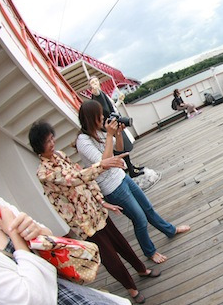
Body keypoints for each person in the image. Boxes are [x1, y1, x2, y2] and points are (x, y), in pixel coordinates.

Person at [29, 121, 161, 304]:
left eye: (52, 138)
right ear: (39, 146)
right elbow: (76, 178)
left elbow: (85, 178)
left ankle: (141, 270)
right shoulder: (44, 173)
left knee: (121, 242)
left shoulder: (60, 155)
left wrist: (101, 202)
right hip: (83, 221)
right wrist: (103, 165)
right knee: (109, 256)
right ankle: (131, 288)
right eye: (48, 141)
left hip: (96, 209)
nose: (52, 143)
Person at [76, 100, 191, 264]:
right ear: (90, 117)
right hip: (112, 188)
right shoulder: (83, 141)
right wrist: (109, 135)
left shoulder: (100, 132)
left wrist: (117, 134)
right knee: (140, 219)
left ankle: (170, 231)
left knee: (148, 208)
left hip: (122, 177)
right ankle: (150, 252)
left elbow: (120, 149)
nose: (103, 117)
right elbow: (105, 163)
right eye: (99, 114)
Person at [0, 194, 131, 305]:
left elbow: (48, 236)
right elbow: (30, 298)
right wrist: (15, 235)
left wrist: (36, 231)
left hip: (69, 290)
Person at [89, 76, 144, 178]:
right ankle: (130, 169)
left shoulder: (102, 95)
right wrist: (95, 90)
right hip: (111, 125)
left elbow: (111, 108)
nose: (95, 83)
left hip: (114, 121)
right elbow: (105, 108)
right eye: (93, 82)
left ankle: (131, 166)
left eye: (96, 81)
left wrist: (119, 101)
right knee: (121, 148)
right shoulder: (97, 95)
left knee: (123, 146)